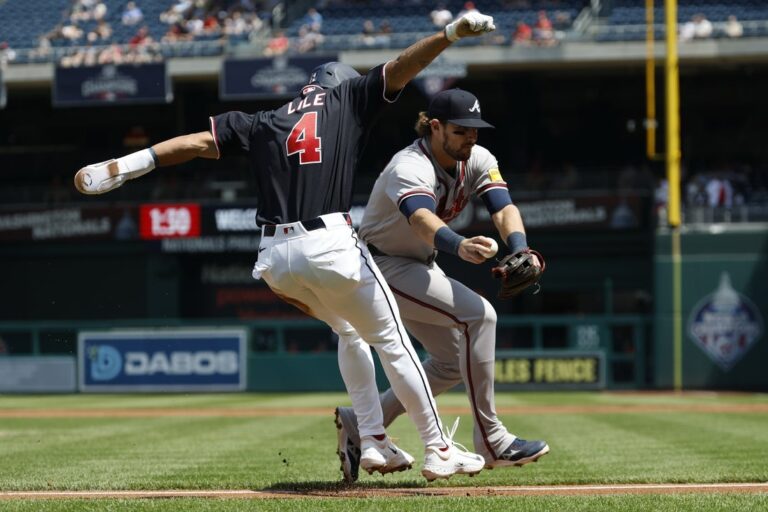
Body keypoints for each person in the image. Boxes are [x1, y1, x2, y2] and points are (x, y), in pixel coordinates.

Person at [73, 12, 498, 484]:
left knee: (349, 332)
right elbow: (402, 67)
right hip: (330, 243)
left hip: (275, 259)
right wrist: (449, 34)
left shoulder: (264, 120)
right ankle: (439, 449)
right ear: (340, 85)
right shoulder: (347, 98)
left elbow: (194, 142)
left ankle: (375, 440)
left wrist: (128, 165)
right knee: (394, 343)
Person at [333, 88, 550, 477]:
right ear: (434, 127)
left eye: (475, 129)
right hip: (379, 266)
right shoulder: (409, 165)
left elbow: (503, 207)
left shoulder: (478, 157)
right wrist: (460, 245)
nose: (470, 137)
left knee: (450, 363)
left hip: (417, 265)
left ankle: (359, 424)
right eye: (460, 129)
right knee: (480, 316)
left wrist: (520, 248)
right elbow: (420, 219)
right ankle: (493, 439)